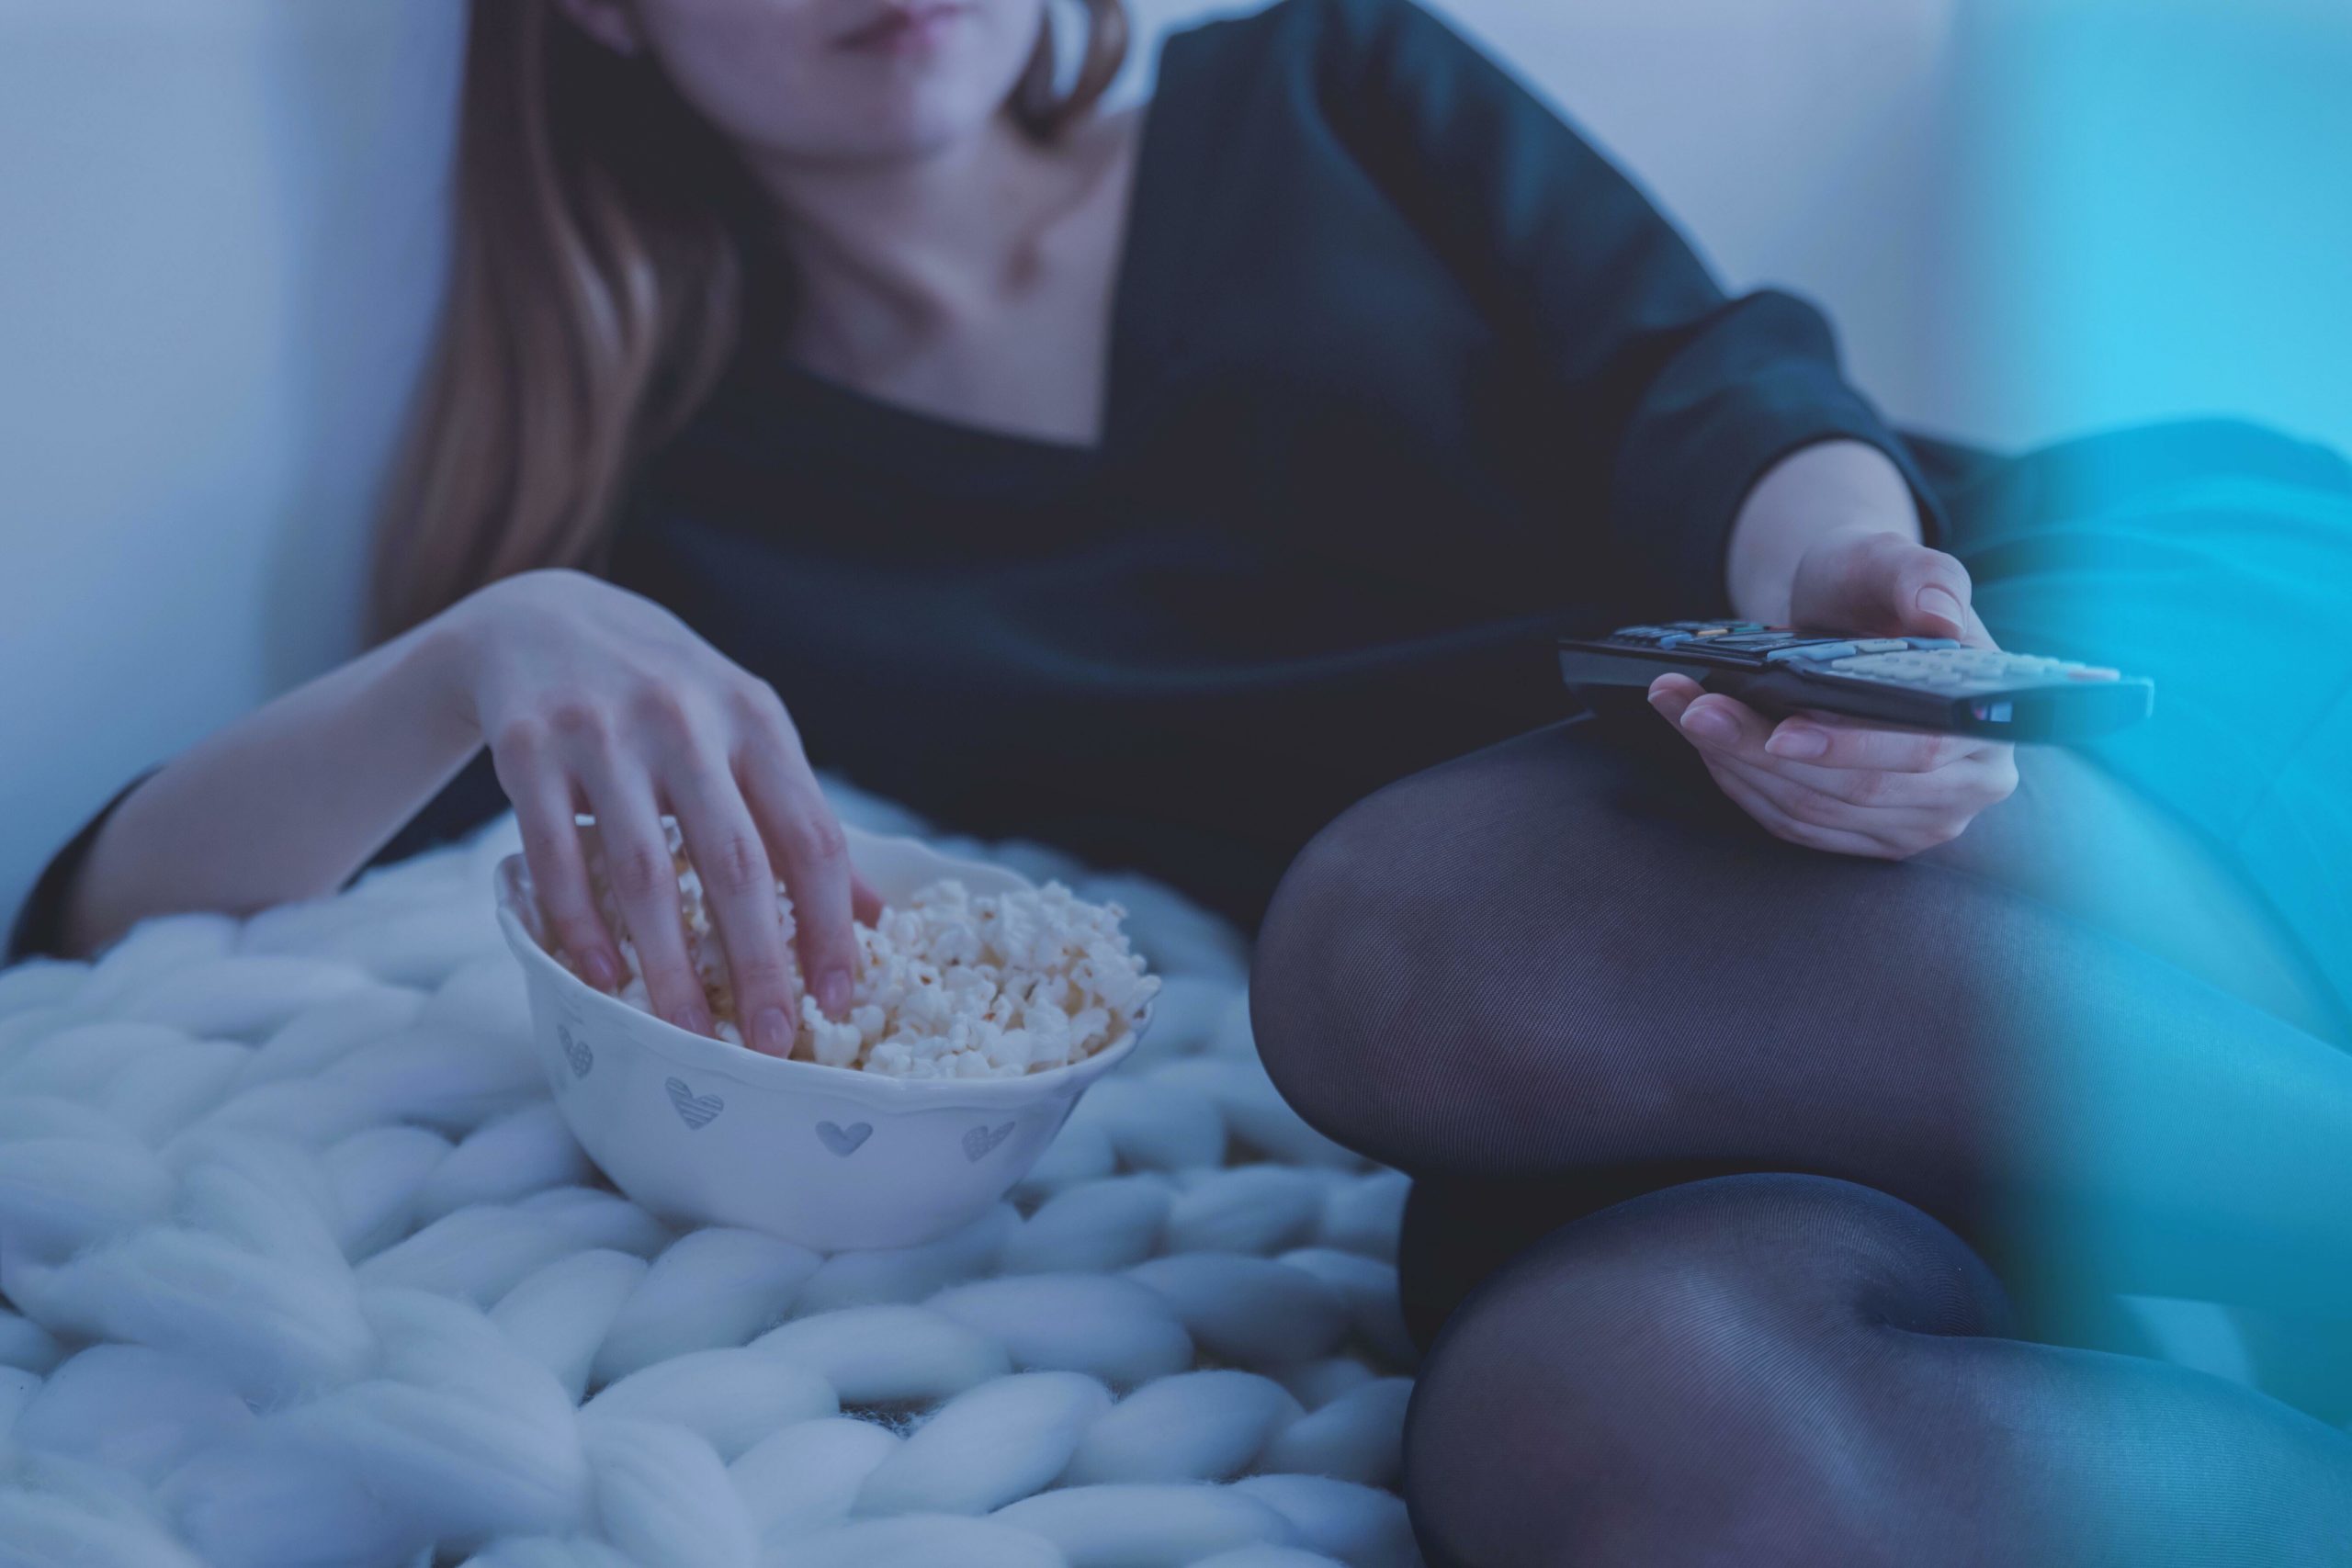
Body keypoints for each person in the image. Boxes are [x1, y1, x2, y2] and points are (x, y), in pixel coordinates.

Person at [12, 0, 2352, 1559]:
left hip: (2014, 674)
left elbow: (1707, 379)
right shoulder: (704, 529)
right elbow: (102, 927)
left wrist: (1849, 586)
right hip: (1584, 1046)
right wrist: (480, 643)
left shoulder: (1320, 85)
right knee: (1600, 1425)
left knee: (1406, 927)